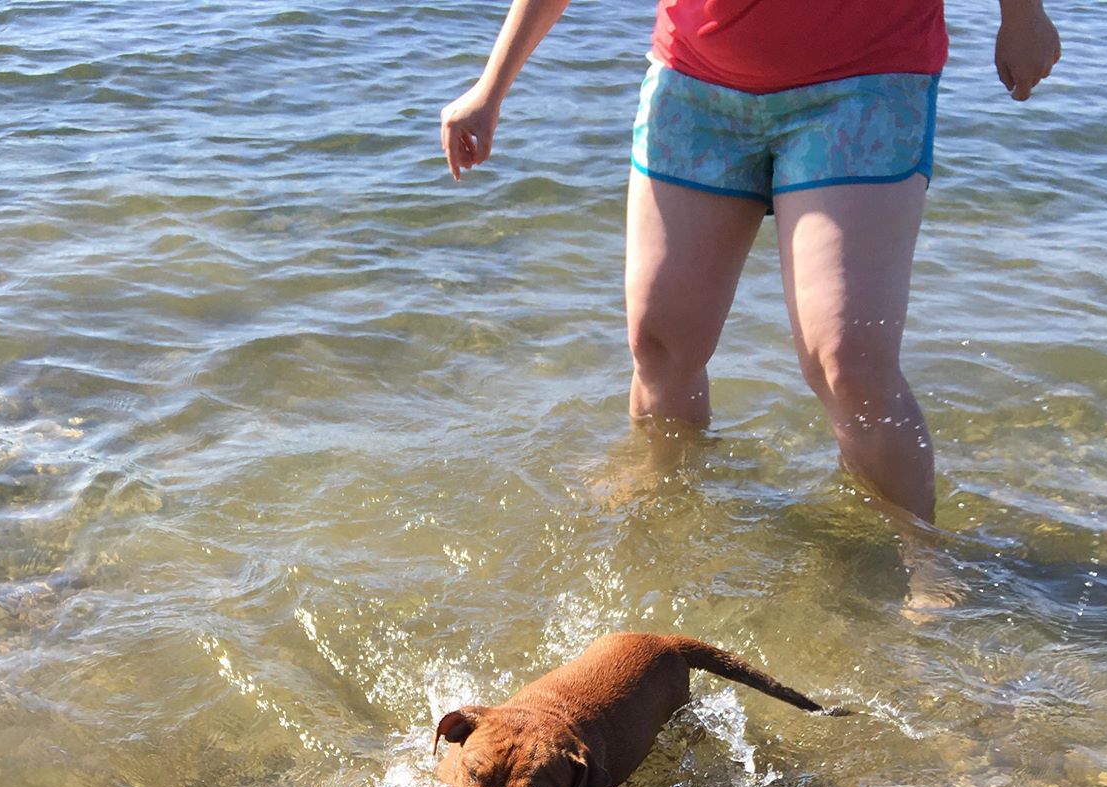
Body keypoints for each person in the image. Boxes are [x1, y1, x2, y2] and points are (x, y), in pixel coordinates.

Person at [440, 0, 1061, 527]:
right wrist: (492, 86)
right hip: (698, 81)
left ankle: (921, 559)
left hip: (865, 78)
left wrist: (1022, 13)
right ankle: (670, 516)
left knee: (849, 360)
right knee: (661, 344)